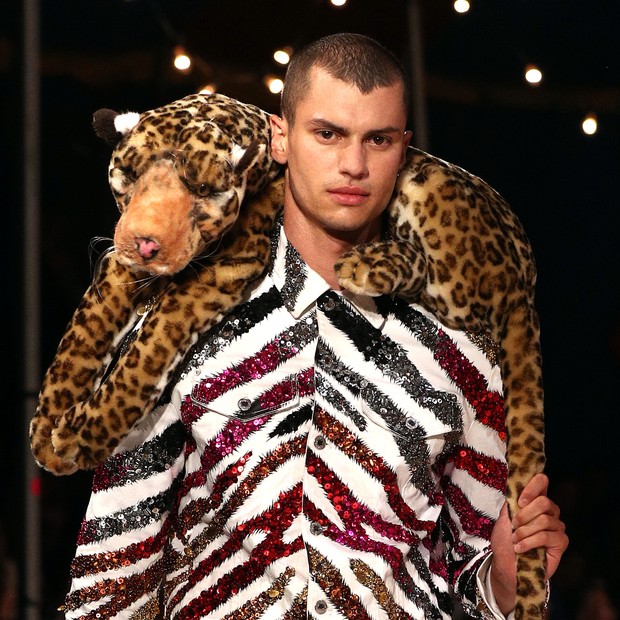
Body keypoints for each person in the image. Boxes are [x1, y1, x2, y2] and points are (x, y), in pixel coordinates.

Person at [62, 33, 567, 620]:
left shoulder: (461, 346)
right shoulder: (179, 324)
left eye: (377, 139)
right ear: (281, 137)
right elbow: (114, 568)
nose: (353, 164)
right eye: (328, 134)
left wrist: (503, 582)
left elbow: (464, 571)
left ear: (403, 149)